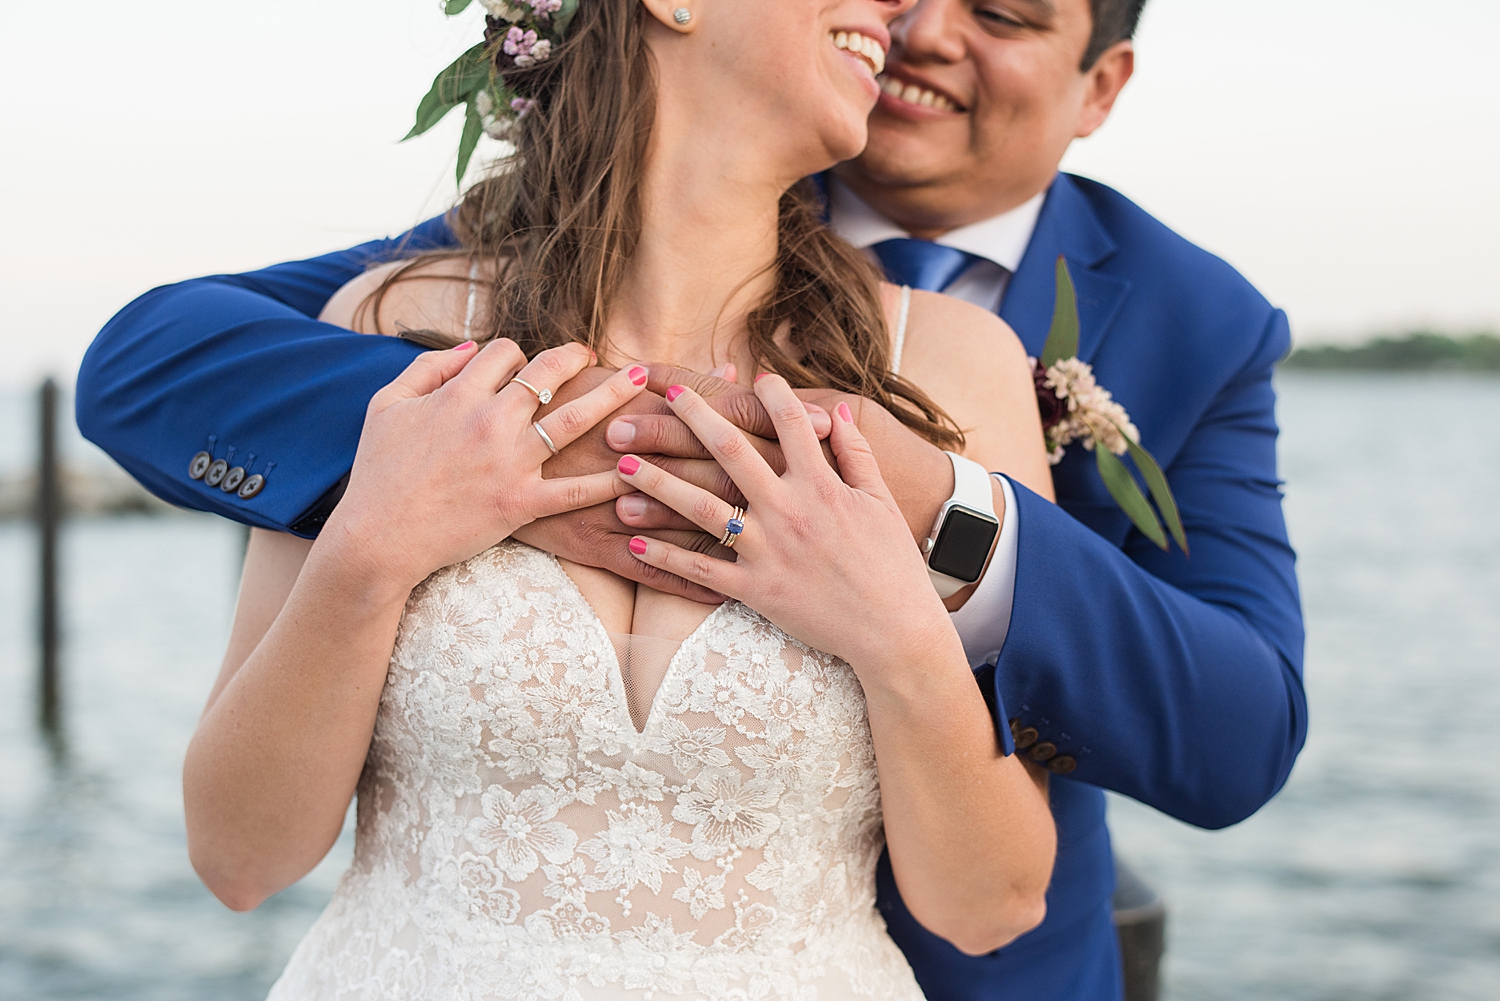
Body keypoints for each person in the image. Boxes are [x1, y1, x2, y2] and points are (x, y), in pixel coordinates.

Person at [76, 0, 1307, 998]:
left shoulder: (1144, 333)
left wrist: (925, 531)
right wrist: (484, 480)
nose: (916, 19)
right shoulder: (422, 320)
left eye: (998, 10)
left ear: (1101, 85)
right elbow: (159, 359)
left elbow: (1238, 724)